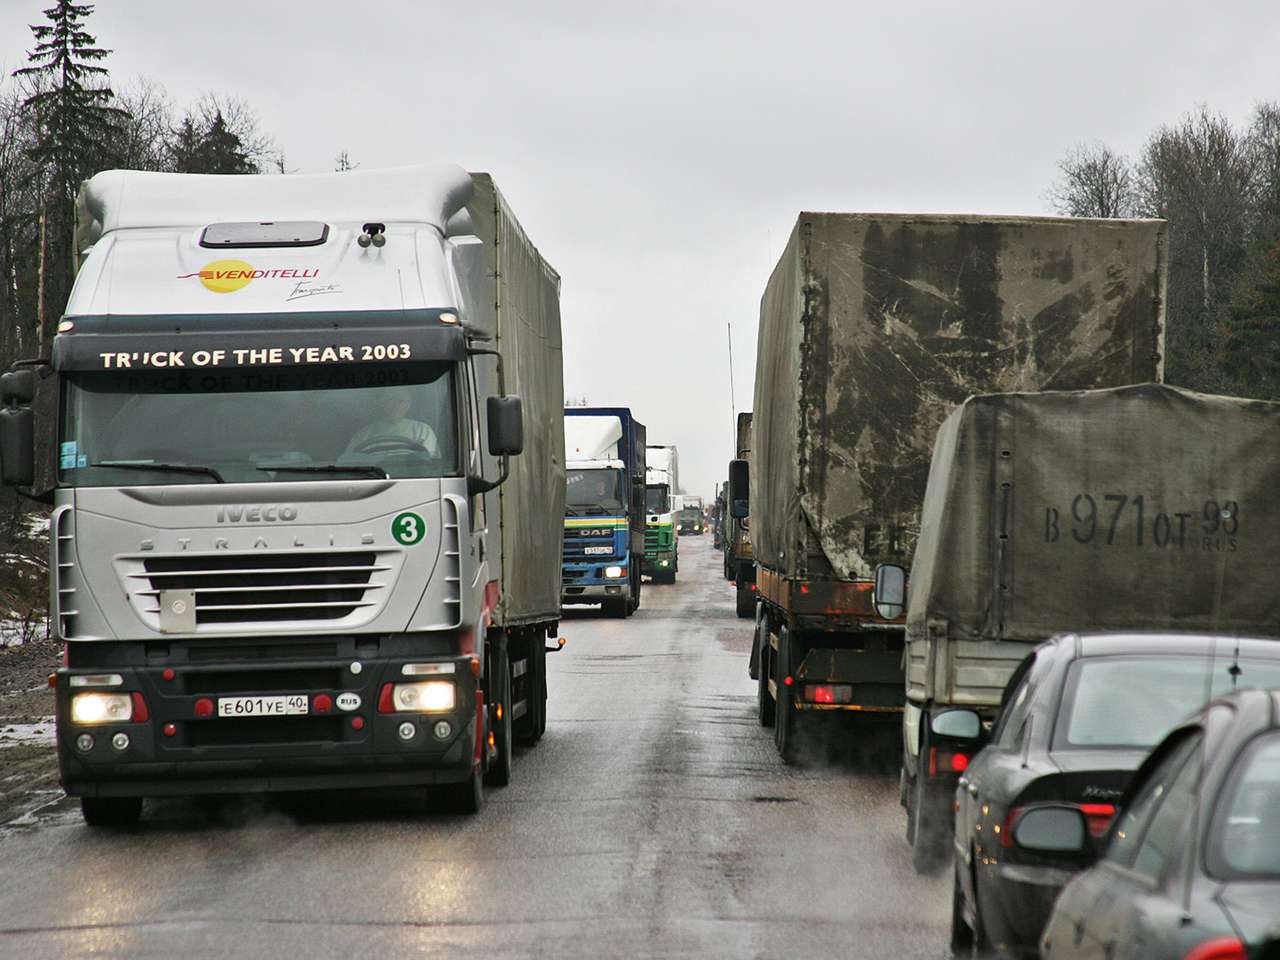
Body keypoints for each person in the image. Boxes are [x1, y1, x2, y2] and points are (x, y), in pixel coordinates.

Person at [346, 386, 439, 456]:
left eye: (401, 401)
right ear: (382, 403)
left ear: (408, 405)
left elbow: (431, 463)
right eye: (390, 400)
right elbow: (349, 463)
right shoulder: (363, 434)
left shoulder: (423, 430)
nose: (395, 405)